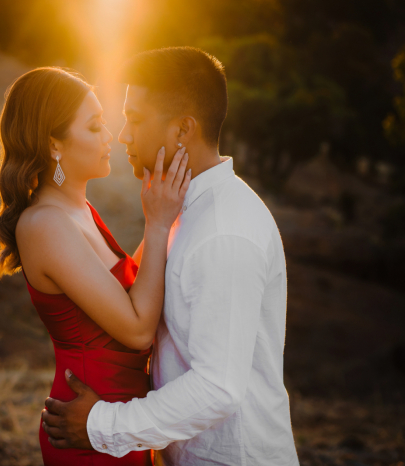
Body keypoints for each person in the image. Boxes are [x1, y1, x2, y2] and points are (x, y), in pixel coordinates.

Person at [41, 47, 300, 465]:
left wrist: (101, 425)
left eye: (136, 119)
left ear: (183, 130)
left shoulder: (223, 231)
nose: (123, 134)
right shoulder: (181, 211)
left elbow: (218, 387)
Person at [0, 66, 192, 466]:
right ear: (54, 145)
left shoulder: (79, 210)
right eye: (96, 126)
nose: (111, 136)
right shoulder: (45, 223)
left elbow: (126, 289)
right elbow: (136, 329)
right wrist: (157, 224)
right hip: (89, 427)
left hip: (118, 419)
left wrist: (171, 216)